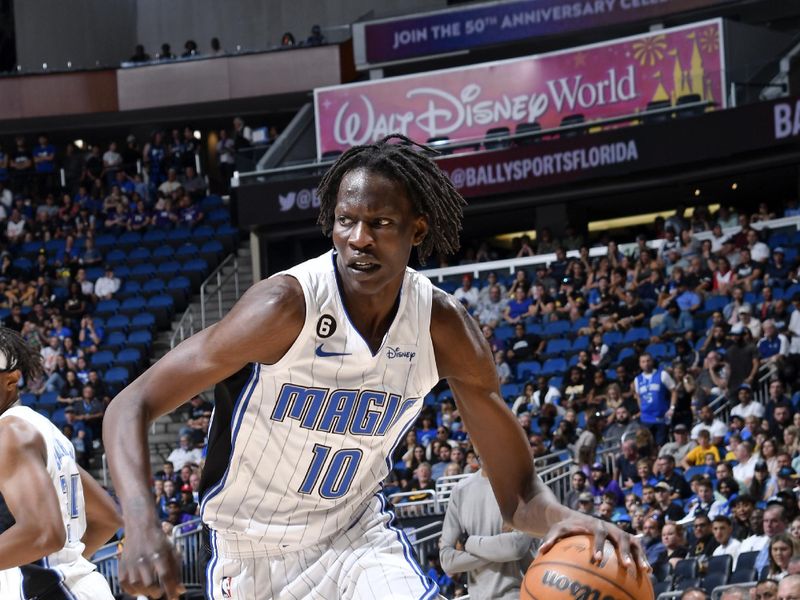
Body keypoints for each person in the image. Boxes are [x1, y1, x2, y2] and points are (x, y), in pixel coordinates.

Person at [103, 136, 648, 599]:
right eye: (346, 221)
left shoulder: (443, 328)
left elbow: (521, 492)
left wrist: (565, 518)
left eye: (379, 222)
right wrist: (141, 524)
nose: (358, 239)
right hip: (251, 555)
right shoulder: (283, 307)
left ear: (417, 229)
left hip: (356, 540)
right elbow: (131, 403)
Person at [0, 327, 121, 599]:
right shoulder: (41, 428)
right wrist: (64, 565)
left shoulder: (10, 433)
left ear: (11, 379)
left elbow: (42, 534)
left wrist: (54, 570)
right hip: (73, 587)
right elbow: (107, 516)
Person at [440, 467, 537, 599]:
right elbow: (447, 561)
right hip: (476, 596)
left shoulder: (525, 484)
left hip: (518, 594)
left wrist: (469, 543)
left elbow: (516, 548)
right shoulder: (460, 490)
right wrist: (500, 550)